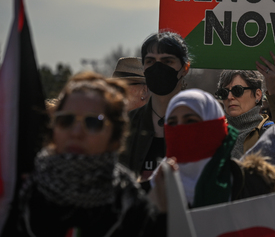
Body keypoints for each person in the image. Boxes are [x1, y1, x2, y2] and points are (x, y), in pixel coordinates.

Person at [11, 72, 166, 236]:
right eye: (66, 120)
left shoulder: (132, 208)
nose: (76, 133)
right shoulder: (23, 197)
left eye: (93, 122)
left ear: (114, 137)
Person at [153, 89, 275, 209]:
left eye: (190, 121)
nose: (180, 130)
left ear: (214, 127)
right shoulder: (154, 187)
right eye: (172, 123)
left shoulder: (251, 183)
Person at [120, 31, 190, 181]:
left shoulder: (201, 122)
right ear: (144, 68)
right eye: (150, 61)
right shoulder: (126, 125)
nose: (158, 68)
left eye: (167, 61)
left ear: (185, 68)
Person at [216, 69, 275, 159]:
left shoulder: (271, 134)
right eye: (224, 92)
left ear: (258, 95)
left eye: (237, 91)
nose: (229, 97)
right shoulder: (214, 133)